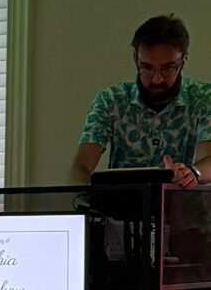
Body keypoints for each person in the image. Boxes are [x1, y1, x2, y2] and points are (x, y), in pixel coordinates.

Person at [71, 14, 211, 189]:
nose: (157, 79)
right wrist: (84, 194)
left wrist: (192, 173)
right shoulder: (111, 100)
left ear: (183, 61)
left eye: (168, 68)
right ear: (135, 58)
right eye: (147, 68)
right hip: (120, 203)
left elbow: (208, 160)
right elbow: (81, 165)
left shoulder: (203, 98)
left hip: (179, 201)